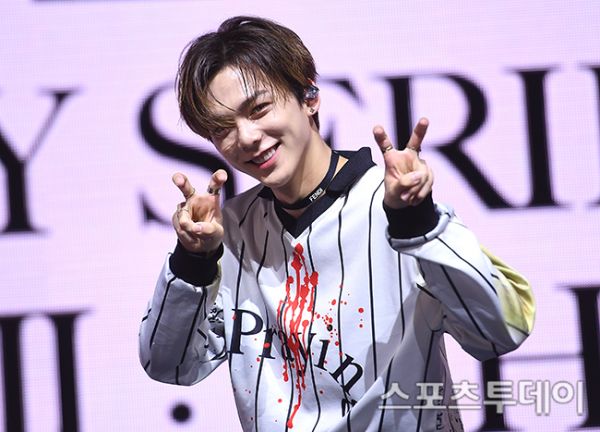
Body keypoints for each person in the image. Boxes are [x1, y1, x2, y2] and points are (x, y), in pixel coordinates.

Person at [139, 15, 534, 432]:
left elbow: (500, 332)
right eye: (223, 128)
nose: (247, 137)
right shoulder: (227, 233)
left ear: (309, 96)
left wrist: (416, 222)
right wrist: (193, 260)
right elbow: (169, 364)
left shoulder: (394, 206)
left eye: (259, 109)